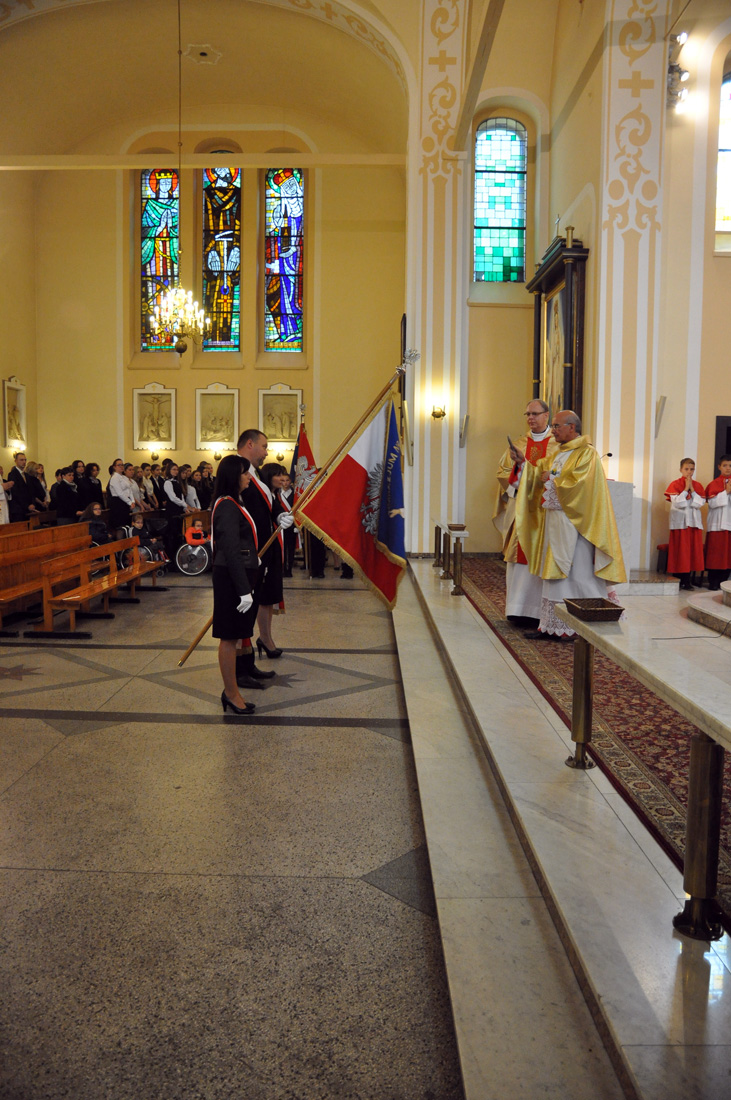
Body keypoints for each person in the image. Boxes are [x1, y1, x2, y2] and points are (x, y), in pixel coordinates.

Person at [514, 410, 626, 639]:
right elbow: (538, 473)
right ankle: (551, 625)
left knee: (578, 576)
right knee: (556, 577)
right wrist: (523, 464)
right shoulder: (559, 453)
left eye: (557, 426)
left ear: (572, 427)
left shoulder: (587, 453)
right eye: (553, 426)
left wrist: (552, 480)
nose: (553, 431)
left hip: (577, 528)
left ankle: (583, 624)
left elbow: (581, 486)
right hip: (555, 526)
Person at [493, 398, 558, 622]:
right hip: (521, 509)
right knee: (518, 557)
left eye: (535, 414)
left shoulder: (558, 445)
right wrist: (518, 471)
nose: (530, 418)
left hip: (546, 511)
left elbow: (558, 474)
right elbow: (503, 473)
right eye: (527, 414)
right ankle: (518, 609)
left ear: (546, 415)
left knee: (543, 557)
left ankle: (539, 611)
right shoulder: (518, 444)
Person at [238, 435, 294, 660]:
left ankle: (262, 641)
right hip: (250, 549)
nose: (266, 452)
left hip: (267, 547)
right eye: (264, 447)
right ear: (250, 444)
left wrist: (279, 515)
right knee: (247, 604)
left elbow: (269, 505)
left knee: (266, 595)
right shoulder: (236, 471)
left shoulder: (258, 475)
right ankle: (243, 657)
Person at [210, 454, 259, 715]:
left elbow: (241, 541)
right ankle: (230, 694)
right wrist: (243, 590)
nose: (249, 477)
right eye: (245, 473)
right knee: (229, 637)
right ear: (233, 476)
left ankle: (233, 691)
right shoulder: (227, 505)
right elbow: (229, 549)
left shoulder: (234, 502)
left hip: (237, 574)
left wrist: (255, 557)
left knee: (236, 634)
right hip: (230, 578)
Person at [665, 457, 705, 591]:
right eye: (686, 469)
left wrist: (692, 489)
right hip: (680, 523)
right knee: (680, 552)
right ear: (681, 470)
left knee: (691, 553)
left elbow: (699, 503)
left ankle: (687, 581)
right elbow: (678, 503)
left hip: (693, 523)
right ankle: (678, 579)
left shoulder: (697, 485)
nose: (689, 472)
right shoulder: (675, 484)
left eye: (692, 469)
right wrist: (685, 489)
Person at [705, 455, 731, 590]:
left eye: (730, 466)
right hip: (717, 524)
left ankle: (724, 582)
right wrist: (726, 492)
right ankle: (713, 582)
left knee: (728, 555)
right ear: (719, 467)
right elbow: (712, 503)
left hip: (729, 523)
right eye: (725, 465)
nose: (728, 468)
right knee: (715, 555)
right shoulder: (713, 484)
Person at [7, 452, 46, 521]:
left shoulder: (27, 476)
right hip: (18, 510)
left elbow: (31, 492)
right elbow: (16, 493)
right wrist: (27, 505)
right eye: (21, 460)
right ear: (15, 461)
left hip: (29, 509)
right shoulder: (12, 475)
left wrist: (33, 504)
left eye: (25, 460)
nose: (24, 462)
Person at [107, 458, 135, 529]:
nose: (121, 466)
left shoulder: (124, 477)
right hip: (118, 502)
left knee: (127, 523)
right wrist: (129, 502)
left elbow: (129, 490)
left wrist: (133, 501)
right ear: (114, 467)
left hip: (125, 502)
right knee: (120, 525)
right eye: (119, 465)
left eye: (122, 465)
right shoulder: (114, 478)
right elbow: (119, 493)